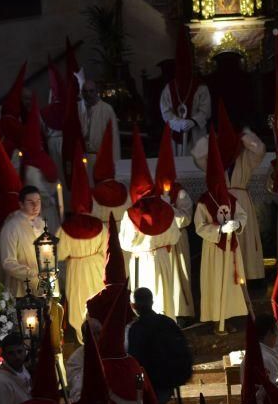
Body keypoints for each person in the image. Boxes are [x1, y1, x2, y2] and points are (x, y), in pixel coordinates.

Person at [191, 102, 266, 281]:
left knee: (244, 237)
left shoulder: (245, 156)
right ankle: (226, 275)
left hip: (240, 199)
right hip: (220, 200)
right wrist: (214, 138)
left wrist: (241, 136)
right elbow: (197, 154)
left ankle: (249, 275)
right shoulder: (213, 159)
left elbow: (259, 149)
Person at [118, 127, 181, 319]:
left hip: (142, 261)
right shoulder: (166, 209)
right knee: (165, 296)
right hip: (163, 258)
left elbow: (125, 244)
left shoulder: (131, 215)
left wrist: (141, 242)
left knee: (147, 300)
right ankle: (168, 323)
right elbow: (175, 236)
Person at [195, 128, 248, 332]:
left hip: (231, 249)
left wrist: (237, 224)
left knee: (230, 284)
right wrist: (219, 230)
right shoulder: (203, 202)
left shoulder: (231, 200)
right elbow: (200, 226)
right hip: (214, 250)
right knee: (216, 282)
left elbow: (242, 215)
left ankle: (229, 316)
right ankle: (217, 319)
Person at [56, 144, 108, 344]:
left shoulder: (66, 228)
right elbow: (107, 250)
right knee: (95, 301)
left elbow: (58, 254)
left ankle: (82, 338)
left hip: (76, 269)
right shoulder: (101, 226)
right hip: (95, 267)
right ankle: (98, 337)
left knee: (79, 303)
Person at [154, 124, 195, 320]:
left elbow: (185, 219)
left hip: (178, 241)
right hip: (160, 244)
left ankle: (183, 313)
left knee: (180, 277)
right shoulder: (151, 196)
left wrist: (168, 209)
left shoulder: (181, 193)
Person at [127, 287, 192, 404]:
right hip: (168, 378)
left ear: (133, 306)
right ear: (152, 302)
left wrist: (137, 387)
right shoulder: (167, 322)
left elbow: (135, 361)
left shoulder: (136, 329)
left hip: (151, 382)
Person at [160, 26, 211, 155]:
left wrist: (193, 121)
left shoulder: (201, 87)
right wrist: (178, 123)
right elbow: (165, 111)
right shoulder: (169, 88)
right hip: (176, 133)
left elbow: (205, 110)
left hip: (196, 134)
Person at [19, 94, 61, 232]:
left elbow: (35, 189)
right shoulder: (44, 159)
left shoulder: (31, 166)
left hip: (41, 211)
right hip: (48, 208)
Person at [0, 185, 45, 297]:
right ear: (21, 204)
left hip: (42, 285)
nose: (36, 206)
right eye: (30, 202)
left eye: (38, 201)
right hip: (21, 288)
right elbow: (8, 262)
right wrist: (32, 274)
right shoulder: (11, 227)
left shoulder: (42, 223)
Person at [80, 80, 121, 164]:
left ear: (96, 91)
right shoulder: (81, 111)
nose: (88, 94)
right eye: (85, 91)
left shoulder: (106, 109)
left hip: (102, 157)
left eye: (91, 91)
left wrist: (115, 161)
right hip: (85, 156)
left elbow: (114, 137)